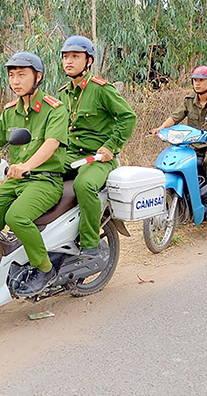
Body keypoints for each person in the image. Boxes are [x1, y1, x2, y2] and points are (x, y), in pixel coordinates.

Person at [0, 51, 68, 295]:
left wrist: (28, 165)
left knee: (17, 217)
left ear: (38, 76)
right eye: (12, 75)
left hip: (45, 179)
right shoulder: (10, 111)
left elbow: (51, 143)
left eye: (22, 75)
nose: (15, 81)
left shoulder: (54, 109)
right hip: (15, 181)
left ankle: (44, 268)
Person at [57, 36, 137, 259]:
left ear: (89, 61)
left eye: (75, 56)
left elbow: (128, 117)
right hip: (70, 154)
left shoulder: (101, 89)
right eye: (65, 57)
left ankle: (91, 244)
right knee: (40, 174)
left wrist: (110, 146)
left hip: (98, 158)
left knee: (83, 185)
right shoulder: (62, 93)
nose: (69, 61)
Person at [152, 66, 207, 218]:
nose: (197, 84)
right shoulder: (188, 100)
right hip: (192, 144)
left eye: (201, 81)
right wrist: (160, 128)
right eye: (195, 80)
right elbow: (175, 117)